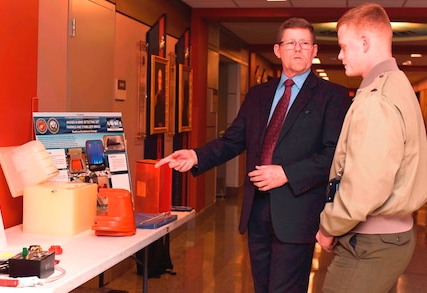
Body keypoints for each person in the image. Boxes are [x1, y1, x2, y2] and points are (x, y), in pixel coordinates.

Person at [156, 17, 350, 292]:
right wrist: (196, 156)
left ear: (314, 51)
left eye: (305, 43)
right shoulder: (259, 94)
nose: (298, 49)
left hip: (297, 214)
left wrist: (286, 174)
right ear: (277, 49)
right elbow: (233, 140)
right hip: (257, 211)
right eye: (291, 43)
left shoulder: (333, 96)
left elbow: (334, 156)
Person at [316, 3, 427, 293]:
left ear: (364, 43)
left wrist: (329, 227)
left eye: (343, 46)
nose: (339, 55)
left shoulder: (378, 99)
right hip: (390, 236)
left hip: (370, 244)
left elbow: (365, 186)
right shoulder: (397, 83)